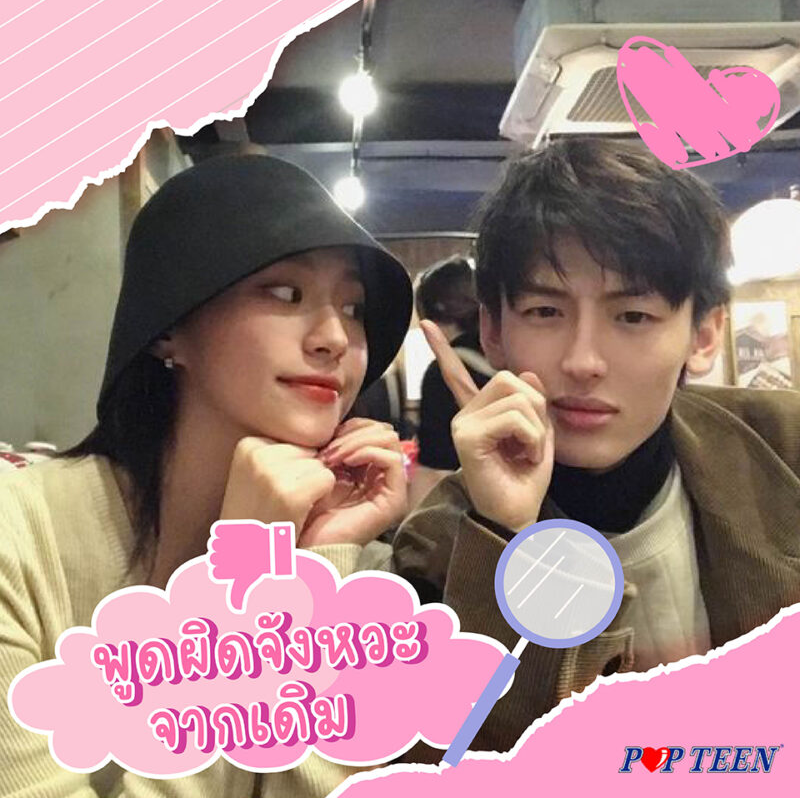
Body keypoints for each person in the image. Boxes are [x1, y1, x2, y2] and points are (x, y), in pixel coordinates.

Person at [0, 155, 413, 796]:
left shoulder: (349, 554)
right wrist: (235, 590)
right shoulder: (19, 536)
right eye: (285, 293)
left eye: (354, 307)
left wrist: (314, 574)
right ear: (168, 328)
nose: (335, 337)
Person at [393, 137, 800, 759]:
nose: (583, 361)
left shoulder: (782, 449)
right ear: (493, 331)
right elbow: (440, 766)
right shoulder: (439, 545)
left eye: (633, 316)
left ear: (704, 334)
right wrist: (506, 534)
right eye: (544, 311)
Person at [409, 256, 494, 508]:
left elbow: (434, 471)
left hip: (473, 513)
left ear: (433, 311)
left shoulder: (442, 375)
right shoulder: (511, 359)